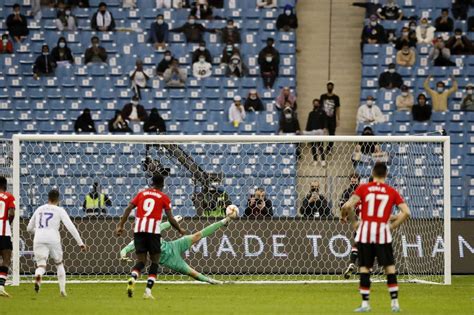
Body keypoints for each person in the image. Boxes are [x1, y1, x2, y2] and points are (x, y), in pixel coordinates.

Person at [341, 162, 411, 313]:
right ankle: (394, 303)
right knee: (389, 268)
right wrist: (392, 226)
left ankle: (365, 304)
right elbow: (406, 212)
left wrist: (352, 222)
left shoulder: (364, 188)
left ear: (372, 173)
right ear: (386, 175)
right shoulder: (391, 191)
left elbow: (347, 207)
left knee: (365, 268)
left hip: (365, 232)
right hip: (383, 234)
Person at [115, 174, 186, 299]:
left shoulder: (142, 194)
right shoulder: (164, 197)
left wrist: (120, 225)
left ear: (152, 183)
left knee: (141, 261)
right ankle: (147, 291)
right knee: (155, 261)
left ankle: (133, 278)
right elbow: (170, 218)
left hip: (139, 231)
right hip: (153, 232)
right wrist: (179, 229)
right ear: (163, 185)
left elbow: (128, 208)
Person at [119, 214, 236, 284]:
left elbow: (165, 225)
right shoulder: (137, 241)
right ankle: (212, 281)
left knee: (197, 235)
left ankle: (225, 220)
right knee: (192, 273)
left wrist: (174, 219)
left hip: (173, 245)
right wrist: (123, 256)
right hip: (169, 259)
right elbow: (124, 249)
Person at [27, 189, 86, 297]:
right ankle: (62, 290)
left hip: (39, 239)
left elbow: (29, 228)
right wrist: (80, 243)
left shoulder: (39, 209)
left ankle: (39, 275)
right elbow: (70, 227)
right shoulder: (59, 210)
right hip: (53, 238)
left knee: (41, 265)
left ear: (48, 198)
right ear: (58, 199)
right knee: (59, 263)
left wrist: (39, 231)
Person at [339, 173, 361, 279]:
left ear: (358, 180)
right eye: (352, 180)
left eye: (355, 180)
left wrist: (344, 216)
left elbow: (344, 206)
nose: (353, 182)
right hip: (369, 220)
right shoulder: (348, 192)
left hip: (360, 221)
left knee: (358, 243)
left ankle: (353, 263)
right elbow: (342, 204)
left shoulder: (360, 192)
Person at [0, 176, 15, 297]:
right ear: (5, 186)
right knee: (6, 259)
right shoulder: (9, 196)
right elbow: (11, 212)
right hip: (4, 232)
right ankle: (0, 286)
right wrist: (8, 223)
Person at [305, 99, 328, 166]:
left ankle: (323, 160)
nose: (316, 104)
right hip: (312, 132)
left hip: (320, 132)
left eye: (317, 103)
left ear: (319, 104)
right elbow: (308, 123)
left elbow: (325, 121)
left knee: (320, 146)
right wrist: (307, 131)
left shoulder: (322, 112)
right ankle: (315, 160)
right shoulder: (311, 113)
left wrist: (325, 127)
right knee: (313, 147)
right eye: (314, 103)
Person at [320, 81, 340, 153]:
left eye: (331, 86)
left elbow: (337, 108)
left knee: (332, 134)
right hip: (324, 119)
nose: (330, 87)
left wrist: (338, 119)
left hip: (332, 119)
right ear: (327, 87)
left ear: (333, 87)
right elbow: (320, 107)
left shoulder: (336, 97)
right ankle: (321, 148)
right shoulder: (322, 96)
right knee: (322, 133)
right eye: (329, 86)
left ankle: (329, 148)